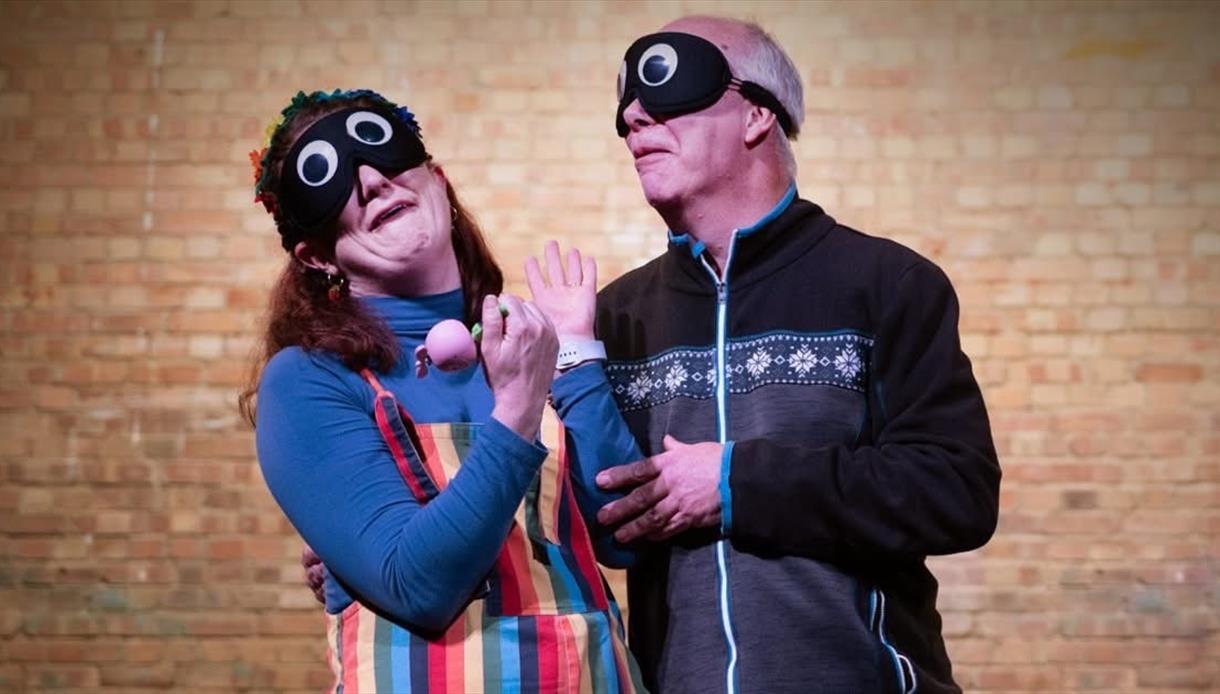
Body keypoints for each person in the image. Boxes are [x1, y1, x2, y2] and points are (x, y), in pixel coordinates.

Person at [585, 16, 1002, 694]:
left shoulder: (885, 285)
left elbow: (956, 493)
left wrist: (735, 483)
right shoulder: (617, 315)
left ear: (756, 114)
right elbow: (612, 535)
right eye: (627, 108)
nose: (633, 116)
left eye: (665, 88)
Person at [240, 88, 646, 693]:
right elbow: (418, 585)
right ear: (316, 255)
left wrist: (577, 357)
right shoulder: (310, 380)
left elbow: (622, 536)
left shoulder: (526, 349)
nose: (373, 182)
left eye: (384, 155)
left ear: (438, 181)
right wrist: (515, 410)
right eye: (332, 181)